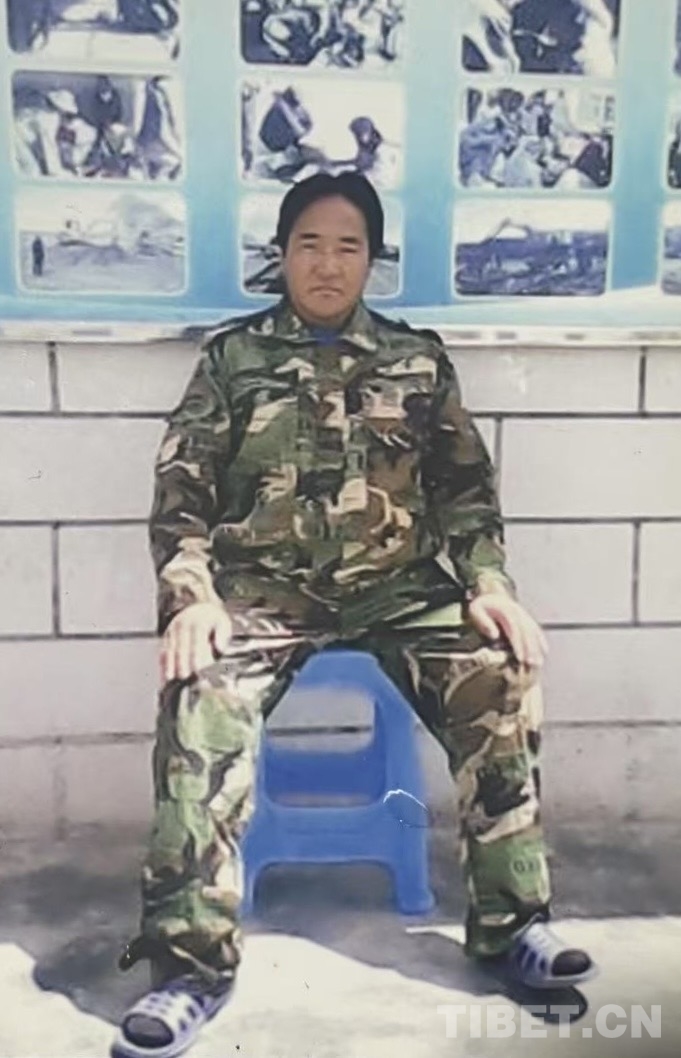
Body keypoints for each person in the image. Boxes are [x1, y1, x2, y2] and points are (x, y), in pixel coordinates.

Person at [114, 172, 597, 1058]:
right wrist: (192, 598)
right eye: (309, 244)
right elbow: (180, 494)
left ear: (371, 260)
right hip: (265, 592)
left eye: (347, 247)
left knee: (501, 672)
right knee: (198, 693)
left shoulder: (417, 360)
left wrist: (488, 583)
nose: (327, 264)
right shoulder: (231, 360)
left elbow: (464, 493)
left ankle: (511, 925)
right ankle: (190, 966)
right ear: (282, 254)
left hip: (397, 589)